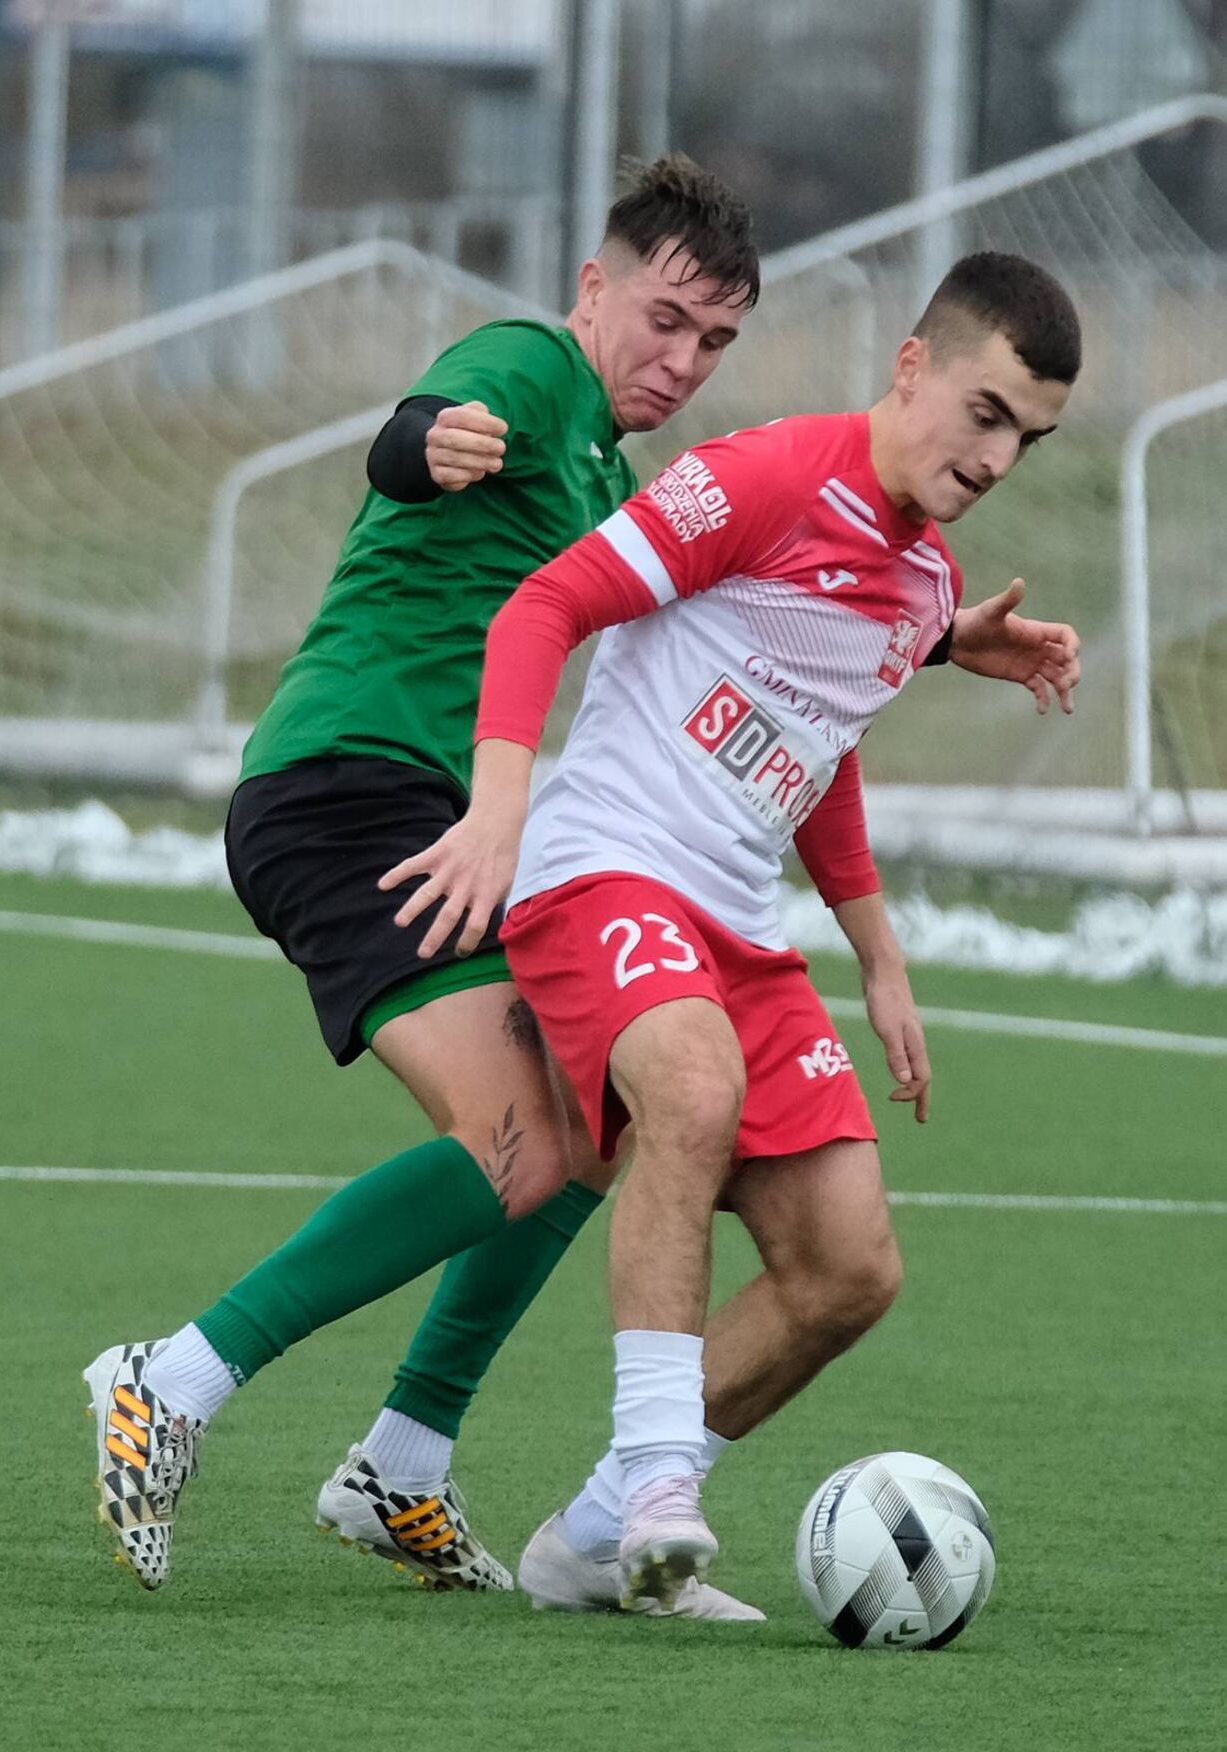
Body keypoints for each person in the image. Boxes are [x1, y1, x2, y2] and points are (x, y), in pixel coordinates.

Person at [83, 155, 763, 1608]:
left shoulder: (609, 475)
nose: (683, 360)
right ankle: (172, 1378)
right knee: (525, 1131)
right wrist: (432, 439)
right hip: (342, 791)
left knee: (603, 1116)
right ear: (594, 288)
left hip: (423, 811)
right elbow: (416, 433)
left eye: (715, 342)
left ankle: (405, 1455)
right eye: (664, 319)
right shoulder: (526, 367)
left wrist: (940, 631)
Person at [383, 251, 1083, 1613]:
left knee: (848, 1268)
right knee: (689, 1091)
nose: (1001, 455)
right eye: (986, 412)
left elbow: (820, 746)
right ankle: (657, 1477)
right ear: (913, 368)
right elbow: (548, 603)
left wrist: (878, 961)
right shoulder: (762, 475)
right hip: (604, 875)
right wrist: (503, 805)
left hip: (735, 929)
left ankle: (592, 1540)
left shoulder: (927, 584)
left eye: (1030, 437)